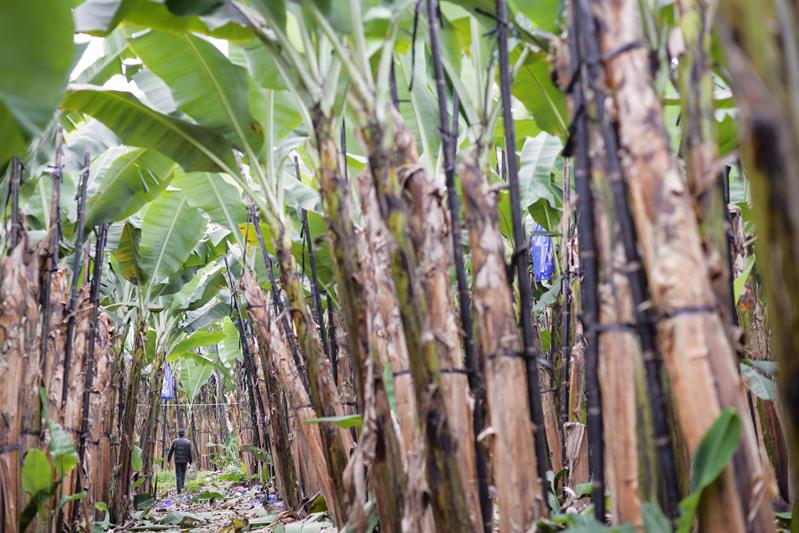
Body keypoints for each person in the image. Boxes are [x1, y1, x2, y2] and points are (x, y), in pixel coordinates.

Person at [167, 429, 193, 493]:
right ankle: (182, 486)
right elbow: (190, 453)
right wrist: (190, 461)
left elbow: (171, 451)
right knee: (183, 473)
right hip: (184, 460)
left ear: (178, 434)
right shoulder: (188, 442)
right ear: (184, 433)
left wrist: (168, 459)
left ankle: (178, 490)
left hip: (177, 460)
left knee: (178, 474)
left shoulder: (175, 441)